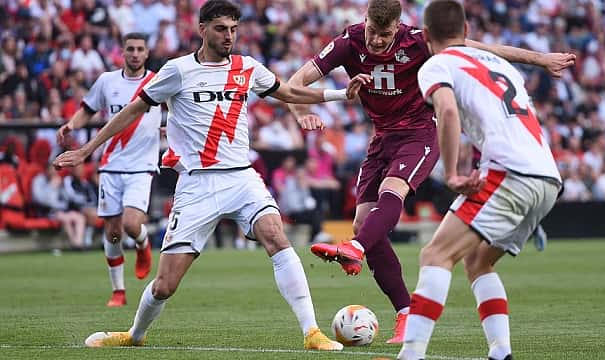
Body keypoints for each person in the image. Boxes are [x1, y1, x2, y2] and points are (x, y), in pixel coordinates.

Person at [54, 0, 369, 350]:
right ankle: (135, 335)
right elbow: (133, 110)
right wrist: (87, 149)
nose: (229, 36)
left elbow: (290, 91)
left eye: (234, 29)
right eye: (221, 29)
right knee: (164, 286)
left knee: (276, 236)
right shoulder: (176, 71)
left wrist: (342, 94)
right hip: (197, 185)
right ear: (202, 29)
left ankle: (311, 333)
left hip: (241, 177)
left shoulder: (247, 67)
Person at [288, 0, 574, 344]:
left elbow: (484, 50)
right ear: (364, 21)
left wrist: (541, 60)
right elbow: (295, 81)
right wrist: (300, 111)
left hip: (419, 133)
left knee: (392, 191)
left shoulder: (419, 41)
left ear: (399, 26)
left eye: (385, 34)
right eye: (373, 32)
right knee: (364, 222)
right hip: (381, 138)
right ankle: (404, 311)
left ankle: (357, 249)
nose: (377, 41)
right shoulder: (349, 42)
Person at [397, 1, 562, 359]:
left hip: (510, 172)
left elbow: (448, 109)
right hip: (547, 177)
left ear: (426, 36)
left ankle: (411, 354)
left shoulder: (436, 64)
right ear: (467, 32)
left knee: (436, 254)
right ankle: (501, 352)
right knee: (477, 262)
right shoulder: (499, 65)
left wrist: (453, 173)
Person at [57, 32, 161, 307]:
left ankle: (142, 244)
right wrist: (72, 125)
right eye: (131, 49)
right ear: (122, 52)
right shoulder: (107, 81)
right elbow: (88, 108)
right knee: (113, 232)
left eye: (140, 49)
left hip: (142, 166)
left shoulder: (157, 81)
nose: (135, 53)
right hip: (111, 164)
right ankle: (118, 291)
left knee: (131, 223)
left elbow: (177, 110)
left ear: (147, 53)